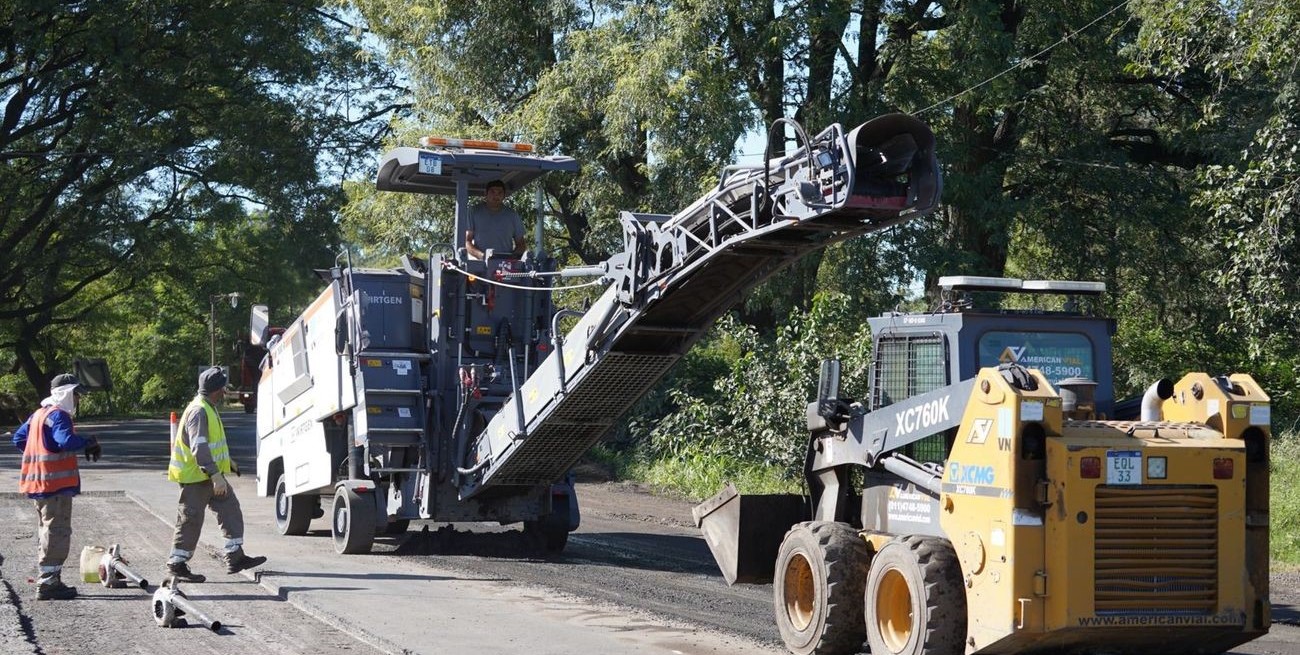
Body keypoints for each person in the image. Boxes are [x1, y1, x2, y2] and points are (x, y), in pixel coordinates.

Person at [164, 366, 266, 582]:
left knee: (230, 510)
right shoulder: (199, 411)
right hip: (196, 478)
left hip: (209, 475)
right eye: (222, 388)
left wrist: (228, 463)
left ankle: (235, 557)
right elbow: (199, 448)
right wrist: (215, 475)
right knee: (190, 519)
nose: (225, 392)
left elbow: (210, 444)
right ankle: (177, 564)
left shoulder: (207, 407)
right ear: (215, 390)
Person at [13, 373, 102, 600]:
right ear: (66, 394)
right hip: (55, 486)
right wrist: (88, 442)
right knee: (57, 531)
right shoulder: (59, 416)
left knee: (47, 530)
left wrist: (39, 454)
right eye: (76, 394)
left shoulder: (39, 415)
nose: (79, 399)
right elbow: (65, 441)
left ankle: (48, 578)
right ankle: (49, 583)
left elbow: (18, 439)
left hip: (38, 483)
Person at [465, 179, 526, 260]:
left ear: (504, 195)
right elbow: (467, 241)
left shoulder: (512, 215)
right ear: (485, 194)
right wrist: (482, 256)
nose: (496, 196)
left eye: (500, 192)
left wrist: (512, 259)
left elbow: (521, 244)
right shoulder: (473, 211)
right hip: (479, 265)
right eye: (492, 192)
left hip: (506, 266)